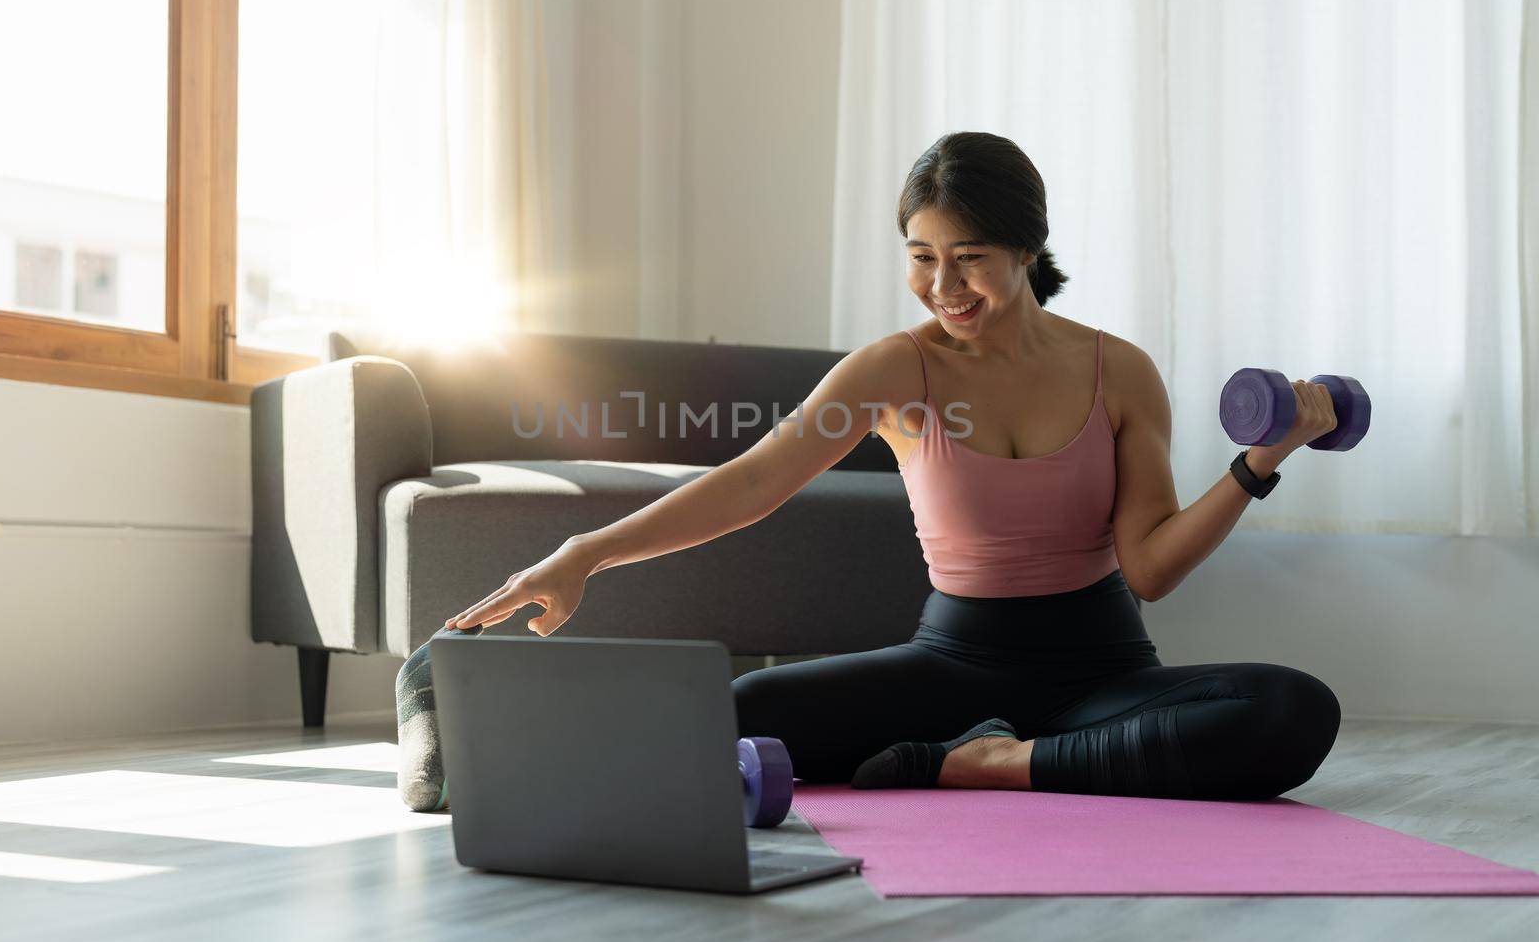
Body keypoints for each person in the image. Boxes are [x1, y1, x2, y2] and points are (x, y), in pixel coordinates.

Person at [398, 130, 1342, 812]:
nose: (944, 286)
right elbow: (751, 483)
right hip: (950, 667)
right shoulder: (897, 370)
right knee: (741, 713)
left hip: (1101, 670)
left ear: (1027, 247)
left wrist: (1259, 462)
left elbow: (1150, 570)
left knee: (1290, 711)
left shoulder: (1119, 370)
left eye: (969, 258)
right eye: (922, 258)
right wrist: (583, 552)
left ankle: (986, 767)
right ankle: (456, 713)